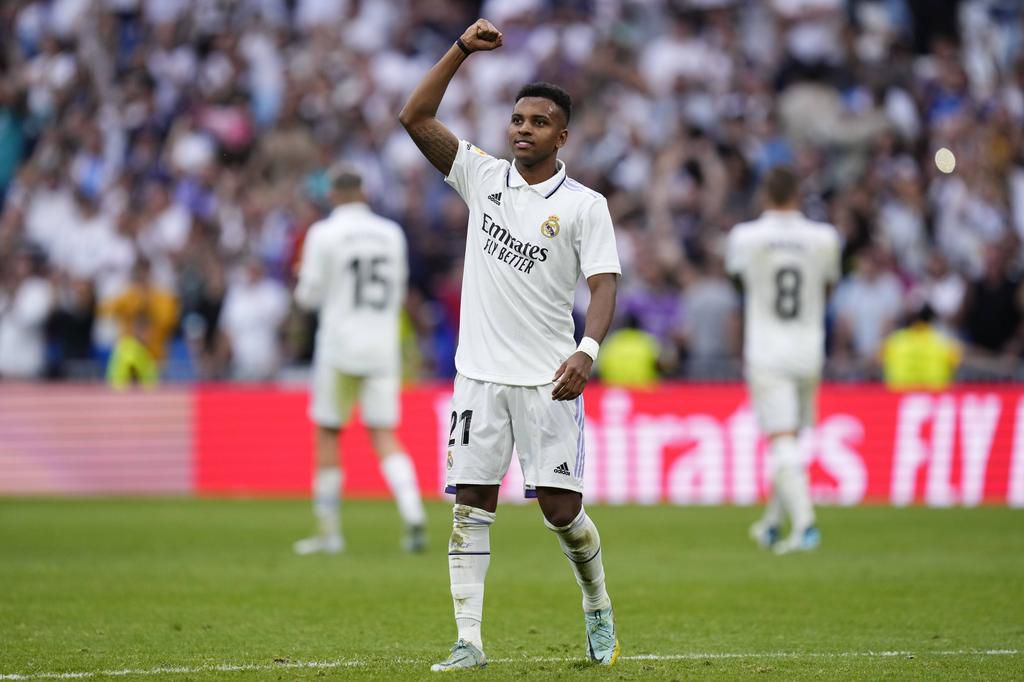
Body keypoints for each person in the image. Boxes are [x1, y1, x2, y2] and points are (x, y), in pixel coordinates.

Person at [399, 18, 622, 671]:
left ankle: (597, 606)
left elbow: (604, 284)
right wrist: (460, 50)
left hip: (548, 378)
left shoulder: (584, 205)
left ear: (562, 136)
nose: (524, 128)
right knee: (470, 506)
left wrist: (587, 351)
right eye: (518, 119)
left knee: (561, 512)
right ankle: (468, 640)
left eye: (539, 122)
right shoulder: (482, 176)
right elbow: (414, 116)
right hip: (478, 376)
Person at [293, 165, 427, 555]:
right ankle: (413, 511)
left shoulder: (323, 233)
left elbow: (308, 297)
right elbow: (399, 290)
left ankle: (329, 532)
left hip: (339, 344)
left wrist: (303, 276)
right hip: (382, 345)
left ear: (332, 195)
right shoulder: (391, 233)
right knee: (384, 433)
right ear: (364, 194)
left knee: (328, 432)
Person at [725, 165, 840, 555]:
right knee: (790, 440)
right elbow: (828, 287)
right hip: (809, 347)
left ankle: (806, 527)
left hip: (768, 349)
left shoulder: (746, 237)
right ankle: (772, 524)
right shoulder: (824, 238)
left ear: (764, 195)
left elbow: (739, 284)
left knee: (782, 441)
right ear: (798, 194)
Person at [881, 304, 961, 391]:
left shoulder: (894, 340)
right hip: (936, 394)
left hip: (897, 395)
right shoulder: (944, 341)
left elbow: (877, 363)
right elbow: (957, 365)